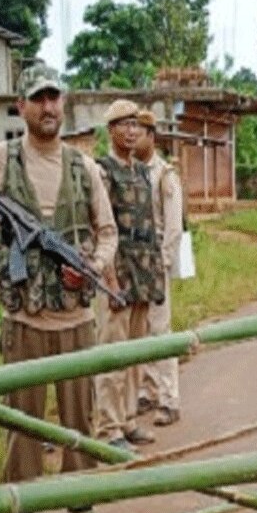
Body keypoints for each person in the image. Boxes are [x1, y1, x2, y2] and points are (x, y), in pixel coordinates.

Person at [0, 63, 119, 513]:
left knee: (79, 421)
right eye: (39, 98)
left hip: (75, 319)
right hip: (23, 320)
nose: (48, 107)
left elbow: (108, 231)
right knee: (23, 421)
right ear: (22, 107)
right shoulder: (0, 159)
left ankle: (81, 511)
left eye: (55, 98)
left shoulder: (84, 166)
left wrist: (90, 266)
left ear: (63, 104)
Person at [94, 100, 164, 448]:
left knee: (135, 353)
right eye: (124, 124)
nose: (132, 130)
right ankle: (108, 427)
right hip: (116, 273)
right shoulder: (103, 172)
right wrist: (109, 281)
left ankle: (127, 419)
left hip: (142, 271)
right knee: (113, 353)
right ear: (111, 130)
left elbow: (150, 227)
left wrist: (155, 279)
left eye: (136, 124)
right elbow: (101, 230)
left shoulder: (141, 172)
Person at [135, 109, 184, 426]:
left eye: (138, 131)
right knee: (141, 332)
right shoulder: (129, 171)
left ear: (151, 137)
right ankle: (148, 392)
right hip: (133, 266)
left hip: (155, 264)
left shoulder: (164, 175)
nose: (132, 136)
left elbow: (173, 226)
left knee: (160, 332)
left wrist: (162, 264)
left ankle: (169, 399)